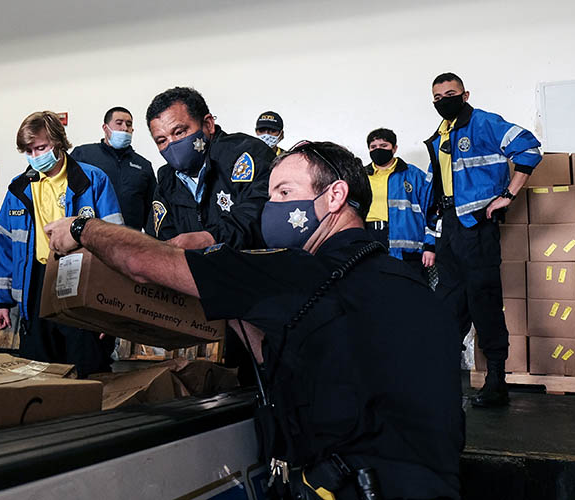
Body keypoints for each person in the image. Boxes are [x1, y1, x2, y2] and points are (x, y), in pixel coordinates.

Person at [45, 140, 463, 500]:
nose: (272, 208)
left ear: (334, 197)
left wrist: (83, 227)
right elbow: (313, 352)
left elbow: (142, 263)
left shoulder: (299, 271)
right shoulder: (411, 285)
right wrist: (233, 305)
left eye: (284, 192)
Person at [426, 72, 542, 407]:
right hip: (449, 226)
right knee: (447, 308)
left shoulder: (484, 123)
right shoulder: (439, 136)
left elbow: (529, 150)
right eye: (436, 97)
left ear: (465, 95)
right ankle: (442, 380)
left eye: (449, 94)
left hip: (477, 226)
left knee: (484, 301)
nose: (442, 101)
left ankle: (496, 383)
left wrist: (507, 194)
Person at [0, 111, 124, 378]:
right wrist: (1, 303)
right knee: (38, 370)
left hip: (82, 281)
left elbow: (115, 242)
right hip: (35, 285)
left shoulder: (92, 180)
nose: (36, 155)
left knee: (86, 366)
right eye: (29, 150)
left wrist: (112, 308)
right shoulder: (19, 189)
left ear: (59, 143)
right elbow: (3, 245)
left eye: (41, 147)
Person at [145, 86, 276, 250]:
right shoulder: (166, 181)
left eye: (179, 132)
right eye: (161, 141)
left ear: (208, 124)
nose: (172, 144)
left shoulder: (246, 155)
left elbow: (262, 211)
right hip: (196, 274)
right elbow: (159, 237)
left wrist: (211, 238)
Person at [70, 106, 157, 232]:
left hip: (130, 239)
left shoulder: (143, 165)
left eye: (129, 124)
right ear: (105, 128)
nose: (124, 128)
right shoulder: (83, 155)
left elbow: (151, 210)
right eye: (119, 123)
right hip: (89, 237)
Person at [364, 128, 436, 275]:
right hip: (370, 242)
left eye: (384, 146)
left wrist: (430, 246)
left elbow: (432, 210)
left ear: (394, 148)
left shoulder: (413, 175)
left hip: (408, 251)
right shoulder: (361, 176)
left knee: (410, 294)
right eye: (373, 147)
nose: (378, 150)